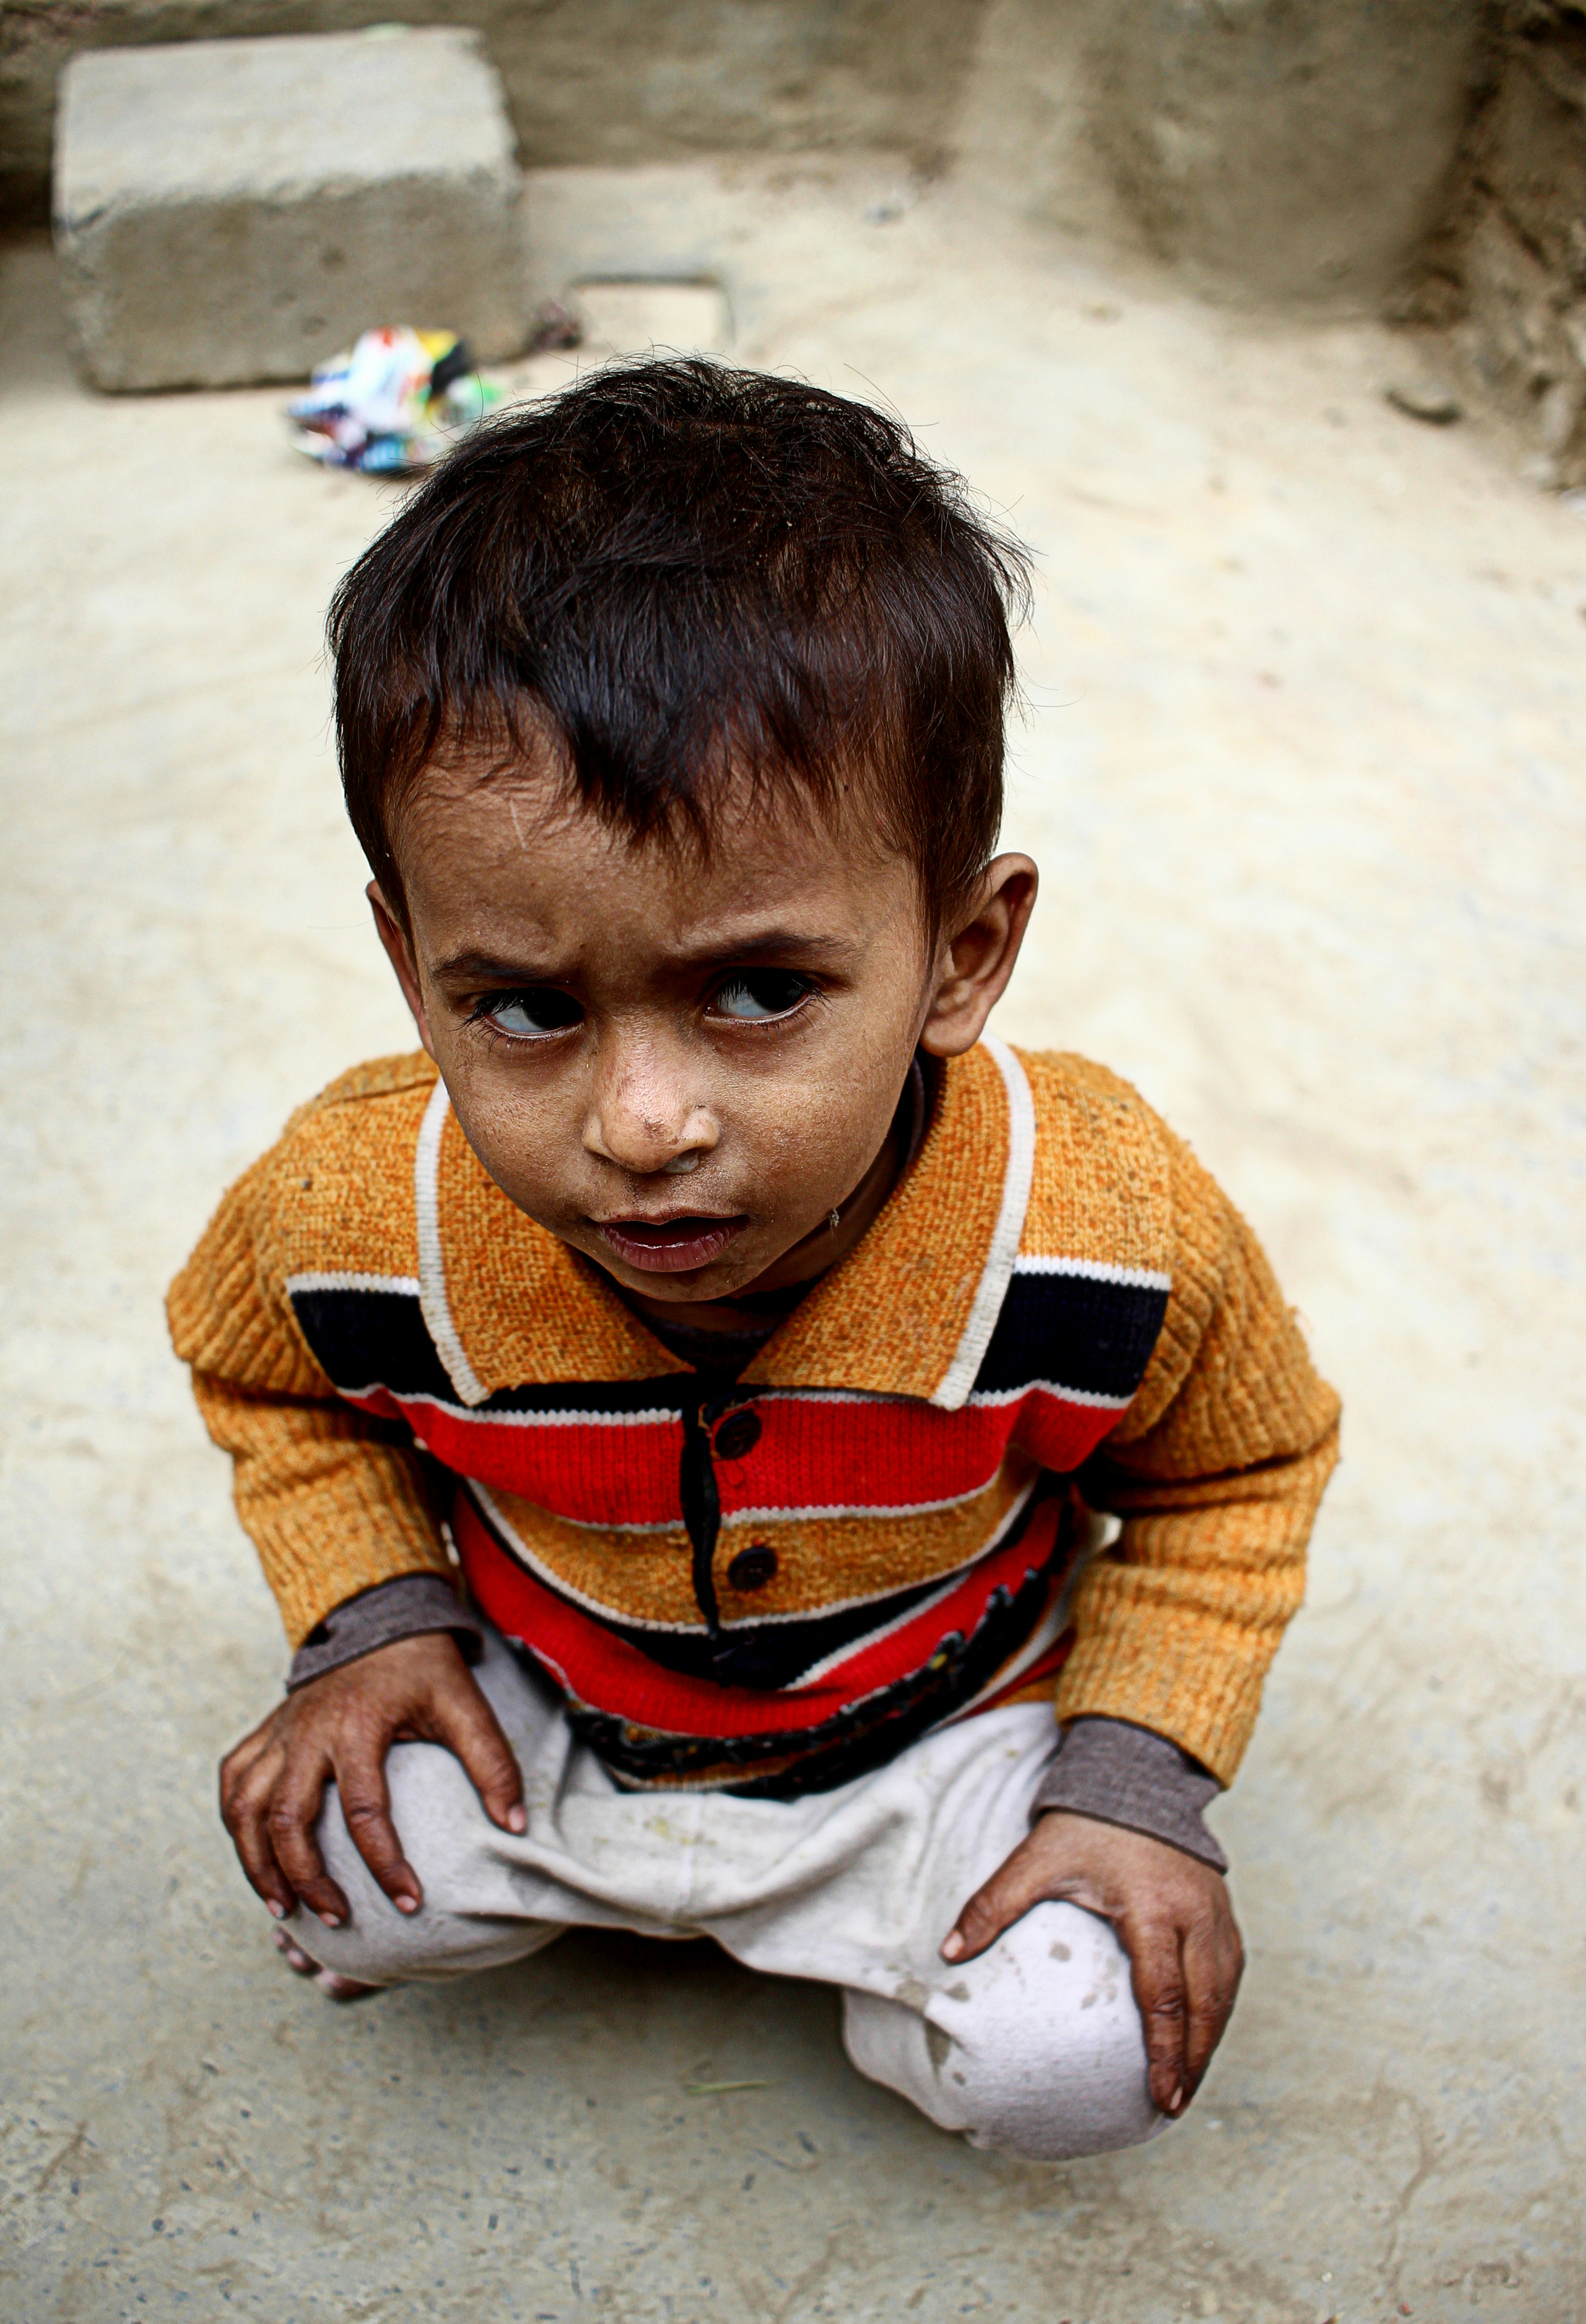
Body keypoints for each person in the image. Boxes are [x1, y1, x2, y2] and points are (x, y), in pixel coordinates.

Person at [167, 360, 1339, 2164]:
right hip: (546, 1713)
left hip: (941, 1751)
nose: (644, 1121)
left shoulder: (1100, 1221)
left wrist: (1136, 1782)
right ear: (414, 970)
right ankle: (566, 1866)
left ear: (962, 950)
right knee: (340, 1870)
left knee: (1078, 2062)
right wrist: (375, 1618)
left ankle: (897, 1924)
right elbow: (268, 1381)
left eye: (762, 990)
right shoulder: (351, 1203)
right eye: (530, 1007)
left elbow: (1238, 1478)